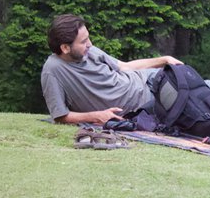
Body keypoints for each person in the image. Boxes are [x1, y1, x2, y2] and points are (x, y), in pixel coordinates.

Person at [41, 14, 184, 125]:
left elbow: (124, 67)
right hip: (144, 104)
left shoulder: (90, 51)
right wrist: (97, 116)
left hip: (148, 79)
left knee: (197, 86)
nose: (90, 44)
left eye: (88, 38)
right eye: (84, 42)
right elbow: (60, 116)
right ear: (65, 48)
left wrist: (164, 60)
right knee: (196, 99)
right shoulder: (53, 70)